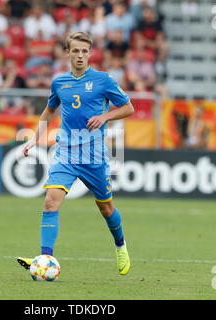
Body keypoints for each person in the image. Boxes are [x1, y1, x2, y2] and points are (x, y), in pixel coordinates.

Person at [17, 32, 134, 276]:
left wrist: (105, 116)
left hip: (94, 155)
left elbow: (128, 107)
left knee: (106, 208)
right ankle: (45, 259)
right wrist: (33, 140)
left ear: (90, 53)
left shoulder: (103, 80)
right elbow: (49, 112)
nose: (80, 55)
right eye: (76, 51)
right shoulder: (59, 83)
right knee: (50, 202)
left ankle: (120, 245)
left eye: (85, 51)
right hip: (66, 153)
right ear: (67, 53)